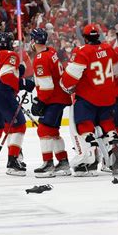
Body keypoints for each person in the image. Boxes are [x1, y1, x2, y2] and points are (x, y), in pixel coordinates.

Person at [60, 24, 118, 176]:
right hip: (107, 96)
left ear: (85, 37)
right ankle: (114, 159)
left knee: (84, 126)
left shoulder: (82, 51)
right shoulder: (108, 48)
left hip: (88, 97)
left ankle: (87, 162)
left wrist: (65, 85)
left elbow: (69, 79)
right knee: (107, 124)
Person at [0, 32, 35, 177]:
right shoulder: (11, 55)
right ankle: (12, 162)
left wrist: (17, 71)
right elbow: (6, 76)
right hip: (3, 93)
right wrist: (23, 82)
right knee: (19, 126)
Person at [29, 28, 72, 178]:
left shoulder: (40, 59)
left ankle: (48, 164)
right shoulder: (51, 51)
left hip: (53, 98)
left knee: (43, 130)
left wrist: (40, 102)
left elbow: (47, 87)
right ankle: (63, 162)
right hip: (60, 97)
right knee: (53, 132)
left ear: (33, 41)